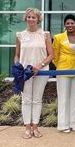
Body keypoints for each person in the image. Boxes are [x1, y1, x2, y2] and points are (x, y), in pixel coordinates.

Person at [14, 8, 54, 139]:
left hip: (41, 72)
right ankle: (27, 128)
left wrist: (40, 65)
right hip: (24, 73)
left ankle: (35, 127)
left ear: (38, 19)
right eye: (29, 17)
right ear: (26, 19)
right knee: (26, 100)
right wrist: (17, 66)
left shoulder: (45, 35)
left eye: (34, 17)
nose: (31, 19)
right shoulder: (20, 35)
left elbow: (51, 55)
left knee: (37, 100)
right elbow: (17, 55)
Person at [53, 14, 75, 132]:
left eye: (72, 23)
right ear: (65, 25)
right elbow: (55, 55)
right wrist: (61, 64)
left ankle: (74, 123)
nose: (70, 25)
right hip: (63, 69)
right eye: (68, 23)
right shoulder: (58, 37)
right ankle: (63, 124)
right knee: (63, 98)